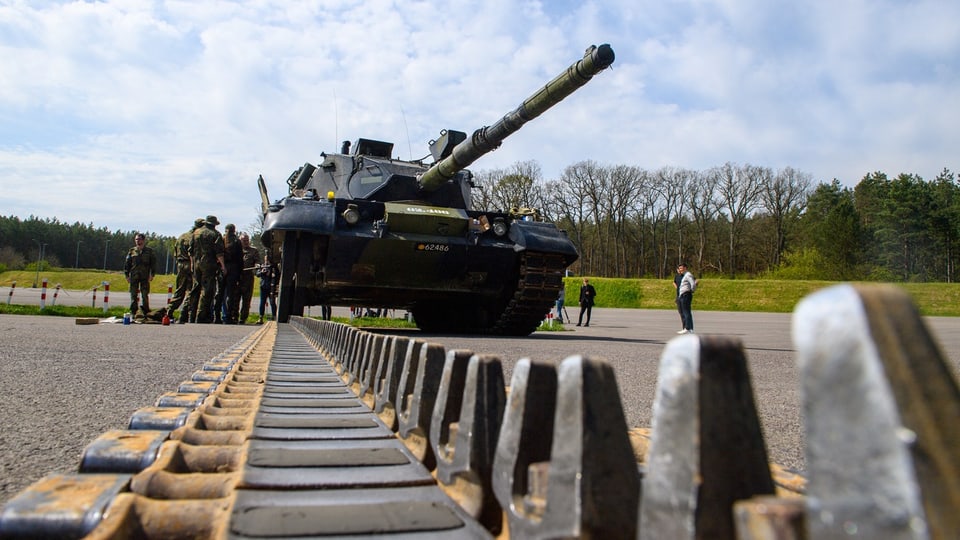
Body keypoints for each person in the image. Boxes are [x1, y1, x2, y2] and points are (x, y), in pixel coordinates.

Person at [190, 215, 226, 324]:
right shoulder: (215, 234)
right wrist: (223, 266)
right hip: (209, 264)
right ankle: (201, 316)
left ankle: (191, 315)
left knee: (195, 289)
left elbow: (190, 250)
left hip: (196, 264)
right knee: (207, 290)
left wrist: (192, 264)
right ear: (214, 224)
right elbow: (219, 253)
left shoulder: (195, 233)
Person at [167, 218, 204, 323]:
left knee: (179, 291)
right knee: (191, 291)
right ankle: (184, 314)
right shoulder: (195, 237)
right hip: (190, 265)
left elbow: (175, 253)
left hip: (180, 265)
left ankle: (169, 311)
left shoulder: (181, 237)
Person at [123, 233, 156, 319]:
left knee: (145, 295)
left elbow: (153, 264)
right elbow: (127, 264)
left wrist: (152, 274)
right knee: (133, 295)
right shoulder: (132, 251)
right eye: (136, 239)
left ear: (143, 240)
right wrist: (127, 275)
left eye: (139, 239)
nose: (138, 241)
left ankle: (146, 312)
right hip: (134, 276)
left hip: (145, 276)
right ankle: (134, 312)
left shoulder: (149, 251)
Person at [221, 223, 243, 324]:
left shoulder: (222, 240)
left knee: (220, 293)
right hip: (234, 268)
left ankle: (219, 315)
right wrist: (240, 273)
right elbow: (240, 258)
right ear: (234, 230)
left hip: (223, 267)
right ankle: (229, 316)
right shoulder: (237, 241)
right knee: (231, 294)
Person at [238, 232, 261, 324]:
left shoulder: (253, 250)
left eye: (247, 240)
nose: (246, 242)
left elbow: (257, 261)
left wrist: (257, 265)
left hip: (248, 278)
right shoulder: (236, 250)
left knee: (246, 300)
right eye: (244, 240)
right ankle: (233, 317)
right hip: (237, 277)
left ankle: (243, 318)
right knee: (235, 299)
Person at [257, 253, 278, 324]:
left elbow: (277, 275)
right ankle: (261, 317)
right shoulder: (262, 266)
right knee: (262, 302)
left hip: (271, 287)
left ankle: (274, 316)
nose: (267, 261)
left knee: (272, 302)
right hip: (263, 286)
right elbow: (258, 274)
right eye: (266, 260)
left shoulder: (274, 267)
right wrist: (262, 272)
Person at [677, 263, 698, 334]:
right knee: (687, 312)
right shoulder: (685, 275)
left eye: (681, 268)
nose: (680, 270)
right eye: (679, 268)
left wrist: (692, 290)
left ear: (685, 268)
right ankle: (690, 328)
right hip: (683, 295)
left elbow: (693, 284)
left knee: (686, 312)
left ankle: (687, 328)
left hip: (686, 295)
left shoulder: (688, 275)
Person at [673, 264, 685, 331]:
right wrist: (676, 287)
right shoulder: (677, 276)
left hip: (684, 296)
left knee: (684, 312)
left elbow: (696, 280)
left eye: (680, 269)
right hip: (678, 297)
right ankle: (685, 327)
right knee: (680, 312)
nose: (679, 270)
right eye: (678, 269)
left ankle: (686, 327)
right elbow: (674, 282)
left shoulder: (686, 276)